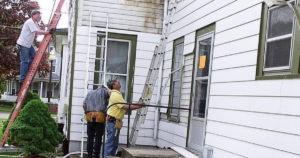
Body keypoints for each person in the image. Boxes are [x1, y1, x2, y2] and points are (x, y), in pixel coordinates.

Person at [104, 78, 145, 157]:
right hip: (113, 122)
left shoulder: (117, 94)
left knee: (114, 143)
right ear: (114, 85)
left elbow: (125, 105)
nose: (118, 81)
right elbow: (126, 107)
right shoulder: (115, 94)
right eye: (116, 81)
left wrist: (136, 104)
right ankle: (107, 156)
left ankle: (111, 156)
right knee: (111, 142)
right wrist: (139, 106)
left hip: (115, 123)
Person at [17, 10, 54, 86]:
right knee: (24, 61)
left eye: (39, 15)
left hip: (28, 45)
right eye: (37, 15)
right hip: (23, 44)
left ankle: (27, 72)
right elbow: (37, 32)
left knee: (34, 57)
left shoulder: (34, 23)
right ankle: (22, 79)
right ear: (33, 15)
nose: (39, 16)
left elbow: (40, 30)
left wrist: (48, 30)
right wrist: (48, 32)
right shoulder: (29, 22)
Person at [83, 85, 111, 158]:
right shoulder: (104, 91)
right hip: (100, 116)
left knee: (90, 136)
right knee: (98, 137)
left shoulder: (90, 93)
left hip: (90, 115)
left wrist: (86, 112)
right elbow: (110, 93)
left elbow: (84, 105)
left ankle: (89, 154)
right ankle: (96, 155)